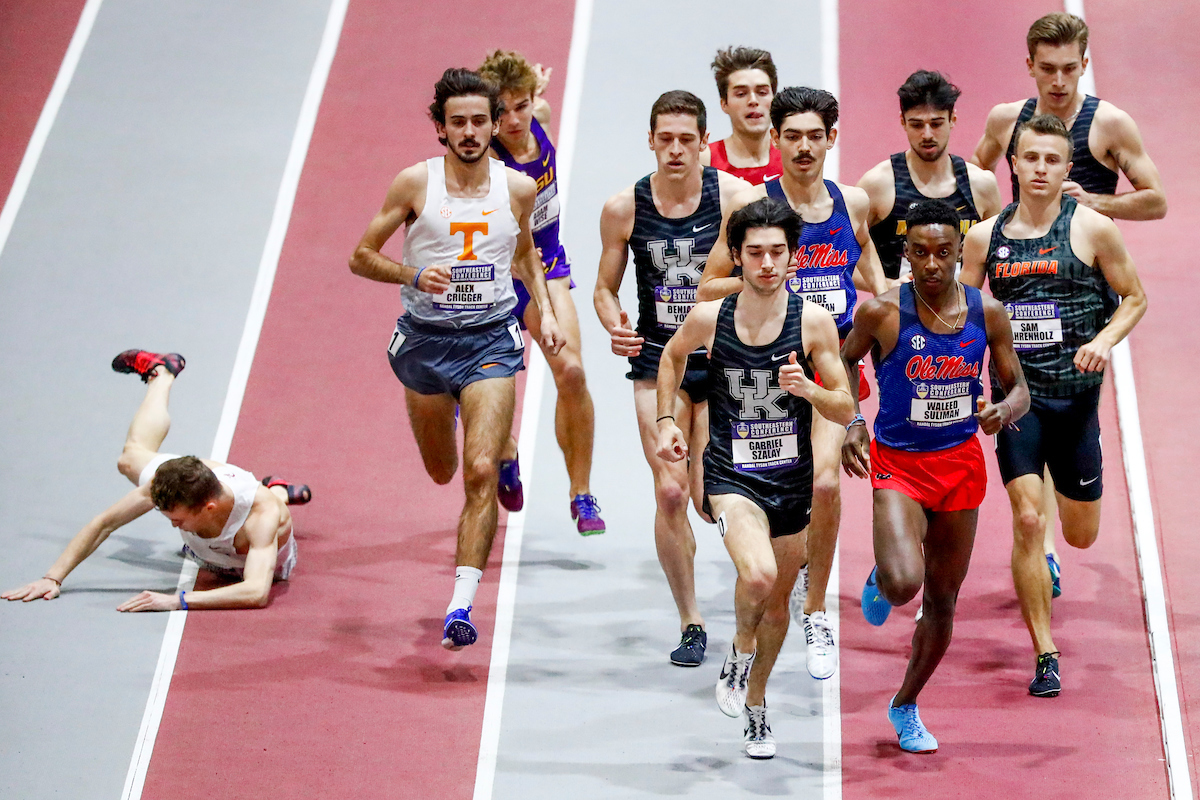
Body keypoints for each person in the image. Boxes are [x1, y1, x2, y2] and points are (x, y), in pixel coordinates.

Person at [349, 68, 564, 650]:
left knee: (476, 474)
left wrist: (542, 309)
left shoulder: (517, 188)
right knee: (441, 469)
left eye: (479, 121)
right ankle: (502, 443)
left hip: (491, 340)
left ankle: (460, 605)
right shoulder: (414, 185)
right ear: (440, 127)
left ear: (496, 125)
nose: (470, 132)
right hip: (424, 341)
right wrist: (413, 272)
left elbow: (526, 252)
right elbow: (361, 257)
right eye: (457, 122)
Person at [972, 11, 1167, 599]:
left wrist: (1097, 203)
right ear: (1028, 66)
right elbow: (974, 179)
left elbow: (1155, 200)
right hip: (1017, 276)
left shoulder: (1108, 124)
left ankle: (1065, 493)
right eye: (1047, 69)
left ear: (1085, 65)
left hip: (1083, 287)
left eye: (1069, 69)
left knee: (1071, 448)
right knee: (1029, 494)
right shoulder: (1007, 121)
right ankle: (1039, 540)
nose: (1058, 81)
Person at [697, 86, 889, 680]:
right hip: (762, 381)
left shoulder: (852, 204)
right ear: (775, 139)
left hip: (829, 373)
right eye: (792, 136)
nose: (804, 147)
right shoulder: (755, 209)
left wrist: (864, 402)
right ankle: (769, 599)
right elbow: (706, 289)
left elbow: (877, 293)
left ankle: (814, 611)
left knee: (828, 485)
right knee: (785, 509)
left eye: (815, 135)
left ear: (832, 138)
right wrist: (771, 287)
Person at [658, 197, 853, 758]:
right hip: (731, 475)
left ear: (793, 257)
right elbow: (671, 358)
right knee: (761, 576)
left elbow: (843, 407)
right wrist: (667, 420)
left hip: (790, 480)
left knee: (777, 603)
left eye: (777, 252)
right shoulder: (712, 318)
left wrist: (809, 389)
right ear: (737, 259)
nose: (767, 263)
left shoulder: (813, 322)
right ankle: (738, 652)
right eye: (755, 253)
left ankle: (757, 705)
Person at [962, 113, 1147, 697]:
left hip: (1077, 403)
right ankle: (1045, 651)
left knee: (1081, 532)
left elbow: (1135, 299)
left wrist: (1102, 341)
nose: (1040, 169)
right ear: (1013, 164)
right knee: (1026, 518)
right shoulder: (984, 238)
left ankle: (1058, 540)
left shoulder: (1093, 228)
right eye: (1030, 158)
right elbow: (963, 318)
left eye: (1052, 160)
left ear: (1068, 168)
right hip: (1018, 401)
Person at [843, 199, 1030, 753]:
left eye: (943, 253)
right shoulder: (882, 312)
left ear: (958, 252)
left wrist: (1005, 410)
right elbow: (842, 362)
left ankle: (905, 704)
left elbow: (1018, 387)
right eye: (920, 252)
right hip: (898, 462)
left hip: (960, 465)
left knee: (943, 600)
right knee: (905, 583)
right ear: (906, 253)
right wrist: (854, 421)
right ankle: (883, 575)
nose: (931, 264)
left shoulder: (986, 313)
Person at [594, 91, 751, 667]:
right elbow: (604, 288)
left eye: (688, 139)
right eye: (667, 138)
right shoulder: (624, 207)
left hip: (721, 360)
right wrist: (614, 323)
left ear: (705, 144)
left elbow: (766, 272)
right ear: (651, 139)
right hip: (658, 361)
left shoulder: (736, 199)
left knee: (712, 501)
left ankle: (756, 590)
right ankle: (690, 621)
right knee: (669, 489)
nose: (677, 149)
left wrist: (722, 301)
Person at [2, 350, 311, 611]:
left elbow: (255, 592)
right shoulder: (176, 481)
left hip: (238, 564)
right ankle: (162, 372)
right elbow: (104, 523)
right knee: (129, 459)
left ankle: (277, 491)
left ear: (209, 507)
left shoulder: (261, 517)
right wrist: (52, 578)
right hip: (210, 536)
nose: (173, 527)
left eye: (177, 519)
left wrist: (177, 601)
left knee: (272, 508)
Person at [478, 50, 604, 534]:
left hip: (547, 264)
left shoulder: (541, 117)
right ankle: (506, 450)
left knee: (571, 371)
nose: (513, 120)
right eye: (501, 110)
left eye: (522, 105)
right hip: (499, 274)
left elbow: (536, 102)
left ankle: (582, 493)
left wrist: (536, 87)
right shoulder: (488, 157)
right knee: (489, 387)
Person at [859, 70, 1001, 281]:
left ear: (952, 119)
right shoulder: (878, 185)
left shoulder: (981, 185)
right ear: (902, 122)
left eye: (936, 124)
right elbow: (841, 257)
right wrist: (885, 286)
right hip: (897, 311)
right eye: (917, 125)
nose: (927, 135)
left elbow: (1002, 260)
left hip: (962, 312)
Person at [700, 46, 783, 185]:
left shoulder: (791, 157)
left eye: (762, 92)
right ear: (724, 104)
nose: (753, 101)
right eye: (741, 94)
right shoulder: (704, 160)